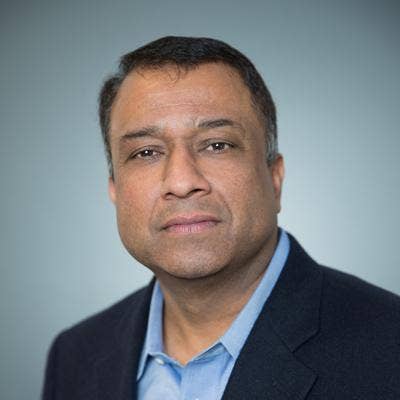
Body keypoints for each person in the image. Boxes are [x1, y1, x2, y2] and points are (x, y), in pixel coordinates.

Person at [42, 36, 400, 400]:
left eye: (217, 145)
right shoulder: (74, 357)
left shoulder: (390, 346)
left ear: (274, 177)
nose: (182, 182)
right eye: (146, 152)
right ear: (115, 189)